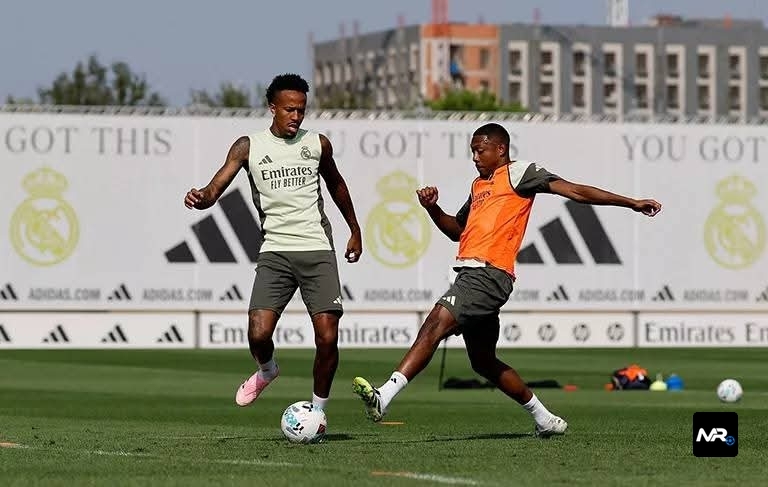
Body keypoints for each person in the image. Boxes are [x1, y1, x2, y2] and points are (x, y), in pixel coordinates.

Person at [353, 122, 661, 437]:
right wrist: (432, 209)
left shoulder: (520, 173)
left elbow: (575, 191)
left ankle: (384, 395)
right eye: (472, 151)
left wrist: (631, 202)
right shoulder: (478, 185)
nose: (475, 157)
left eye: (480, 150)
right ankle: (545, 419)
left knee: (435, 324)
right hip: (475, 274)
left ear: (500, 149)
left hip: (487, 275)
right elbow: (456, 231)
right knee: (483, 362)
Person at [185, 73, 362, 412]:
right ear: (272, 108)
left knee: (327, 337)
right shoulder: (248, 147)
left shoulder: (318, 144)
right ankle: (267, 370)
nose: (296, 116)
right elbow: (214, 189)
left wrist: (354, 229)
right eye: (289, 109)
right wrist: (201, 197)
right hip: (275, 252)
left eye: (301, 110)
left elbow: (337, 185)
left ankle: (317, 412)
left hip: (316, 248)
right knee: (258, 334)